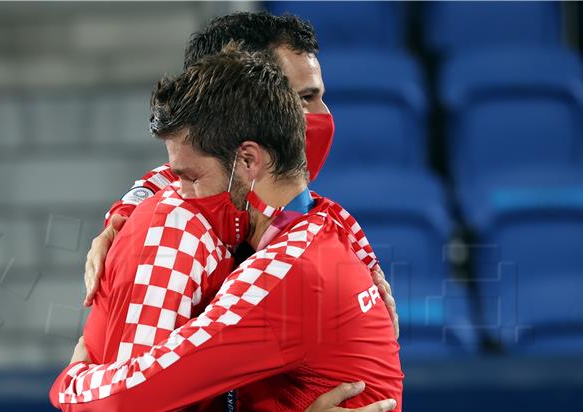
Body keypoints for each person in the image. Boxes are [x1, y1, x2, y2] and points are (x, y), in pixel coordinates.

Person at [52, 46, 438, 412]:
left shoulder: (281, 276)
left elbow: (127, 404)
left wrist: (71, 384)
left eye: (189, 179)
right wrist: (128, 206)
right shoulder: (317, 233)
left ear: (249, 161)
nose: (181, 200)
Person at [83, 12, 398, 341]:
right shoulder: (173, 236)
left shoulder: (316, 221)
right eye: (303, 100)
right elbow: (139, 383)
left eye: (318, 97)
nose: (324, 118)